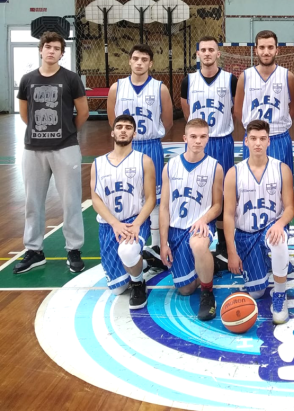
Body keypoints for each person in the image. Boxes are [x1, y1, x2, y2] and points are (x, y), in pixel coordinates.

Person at [14, 31, 89, 274]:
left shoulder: (71, 78)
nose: (51, 51)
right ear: (41, 49)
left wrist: (67, 131)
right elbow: (25, 114)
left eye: (57, 48)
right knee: (32, 202)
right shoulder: (27, 79)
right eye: (48, 47)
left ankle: (74, 249)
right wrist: (39, 132)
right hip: (33, 149)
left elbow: (83, 112)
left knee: (71, 201)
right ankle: (34, 250)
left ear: (61, 53)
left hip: (66, 147)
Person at [107, 44, 173, 268]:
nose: (139, 63)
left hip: (151, 145)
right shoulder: (117, 88)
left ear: (151, 63)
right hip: (127, 148)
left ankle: (155, 246)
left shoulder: (160, 88)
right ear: (129, 61)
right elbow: (113, 121)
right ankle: (132, 241)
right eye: (135, 58)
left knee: (155, 196)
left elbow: (168, 121)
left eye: (144, 59)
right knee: (130, 194)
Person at [223, 120, 294, 324]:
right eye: (253, 138)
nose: (258, 143)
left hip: (271, 227)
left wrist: (280, 224)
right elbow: (228, 215)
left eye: (262, 139)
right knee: (256, 292)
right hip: (245, 234)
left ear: (269, 141)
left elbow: (290, 207)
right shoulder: (234, 173)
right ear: (246, 141)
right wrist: (231, 252)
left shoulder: (281, 169)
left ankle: (280, 294)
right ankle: (265, 262)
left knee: (279, 241)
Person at [159, 119, 224, 321]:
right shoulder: (170, 167)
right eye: (193, 136)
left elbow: (217, 205)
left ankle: (207, 292)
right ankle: (207, 264)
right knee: (185, 290)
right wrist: (163, 243)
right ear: (185, 138)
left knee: (198, 245)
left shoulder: (215, 167)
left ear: (208, 139)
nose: (198, 141)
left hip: (201, 225)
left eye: (203, 136)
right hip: (176, 229)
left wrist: (204, 219)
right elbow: (164, 207)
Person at [181, 36, 237, 270]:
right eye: (202, 50)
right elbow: (187, 112)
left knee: (223, 194)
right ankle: (194, 235)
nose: (206, 53)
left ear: (218, 53)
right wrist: (197, 135)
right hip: (198, 141)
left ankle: (223, 244)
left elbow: (235, 108)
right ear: (198, 54)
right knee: (196, 189)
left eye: (211, 49)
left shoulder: (230, 79)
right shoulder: (189, 80)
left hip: (222, 140)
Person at [91, 114, 156, 309]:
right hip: (109, 225)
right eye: (119, 127)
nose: (123, 130)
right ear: (112, 132)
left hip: (135, 220)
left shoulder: (144, 161)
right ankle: (146, 261)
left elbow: (151, 199)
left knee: (127, 251)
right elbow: (96, 199)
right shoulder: (98, 163)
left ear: (134, 134)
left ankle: (138, 283)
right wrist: (115, 224)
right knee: (118, 289)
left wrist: (136, 224)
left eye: (128, 127)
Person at [234, 30, 294, 173]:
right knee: (250, 179)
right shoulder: (245, 77)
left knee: (281, 179)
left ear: (277, 50)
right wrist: (253, 129)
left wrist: (280, 123)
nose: (266, 52)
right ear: (255, 50)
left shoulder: (288, 76)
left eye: (270, 47)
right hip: (253, 137)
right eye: (262, 47)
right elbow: (238, 110)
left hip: (279, 137)